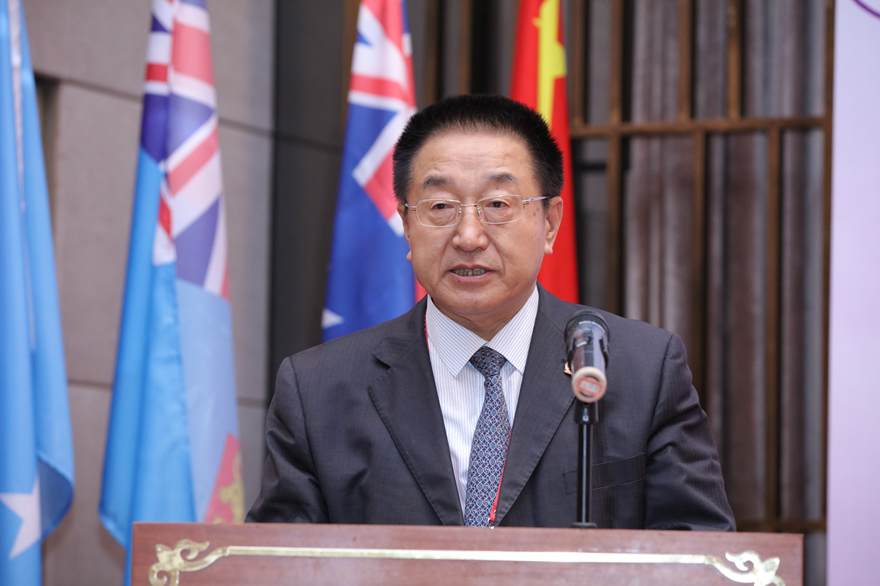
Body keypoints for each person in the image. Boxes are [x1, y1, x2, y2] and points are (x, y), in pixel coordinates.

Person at [247, 94, 735, 530]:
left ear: (550, 223)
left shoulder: (643, 370)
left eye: (498, 204)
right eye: (441, 206)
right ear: (407, 226)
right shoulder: (318, 391)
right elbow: (277, 567)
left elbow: (700, 559)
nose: (468, 236)